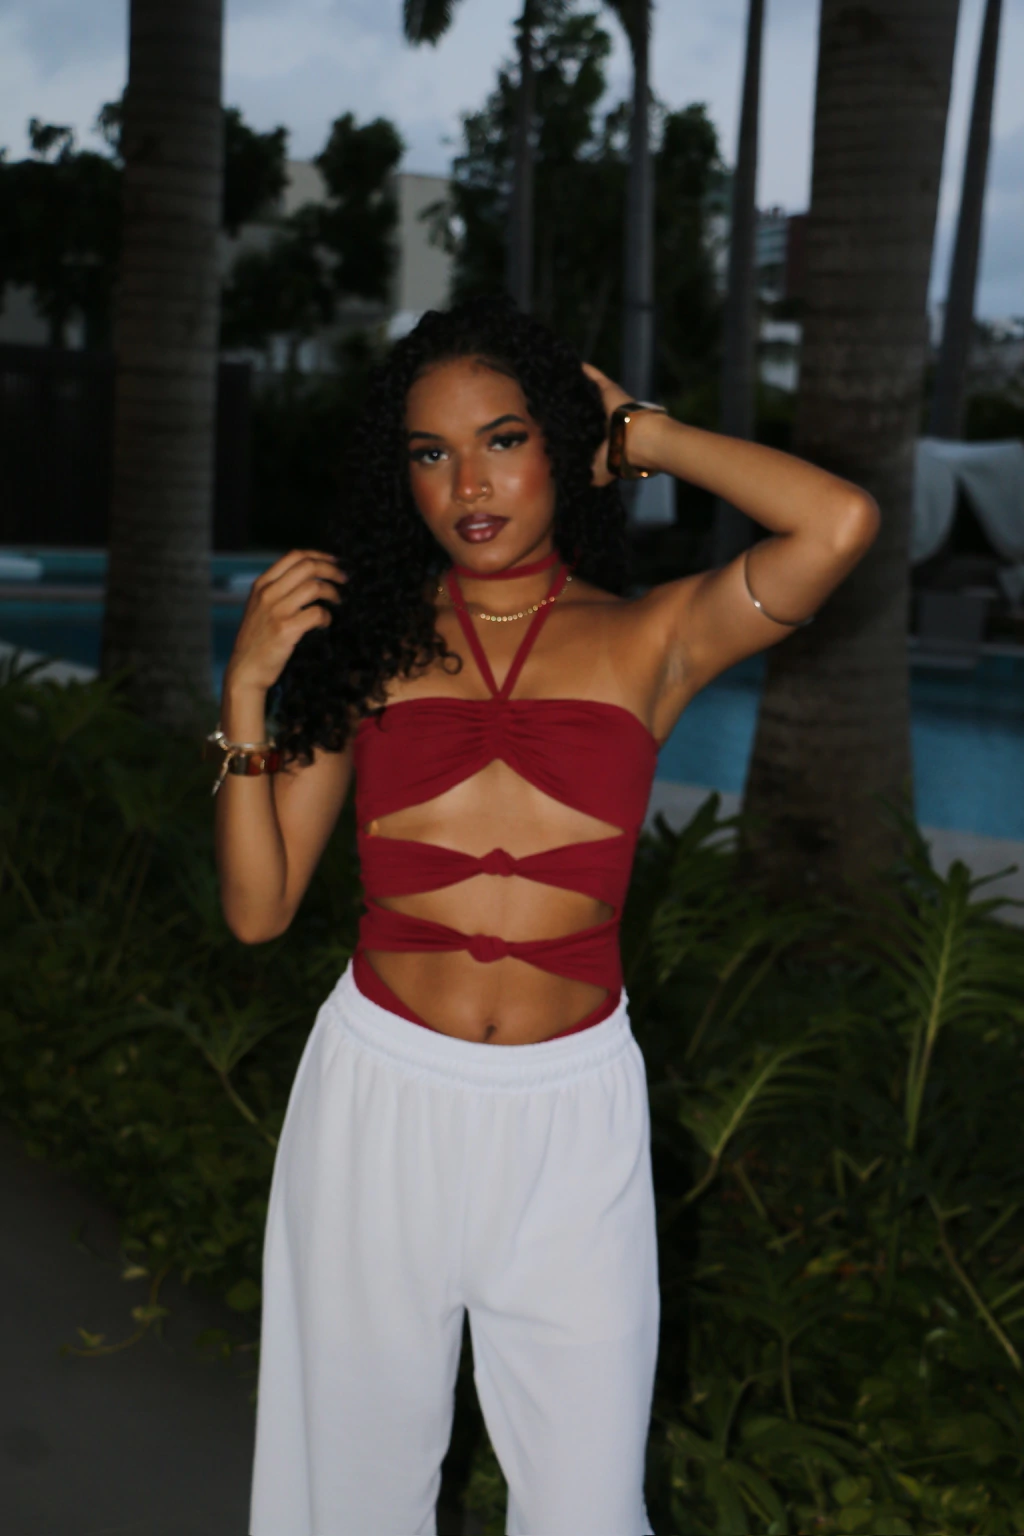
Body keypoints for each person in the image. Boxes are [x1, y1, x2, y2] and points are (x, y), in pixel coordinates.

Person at [213, 297, 879, 1535]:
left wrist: (642, 434)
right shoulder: (363, 649)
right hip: (379, 1099)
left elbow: (837, 522)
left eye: (504, 440)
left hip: (571, 1119)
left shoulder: (649, 636)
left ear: (560, 451)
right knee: (351, 1492)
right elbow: (258, 910)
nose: (468, 483)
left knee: (584, 1503)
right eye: (430, 453)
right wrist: (248, 691)